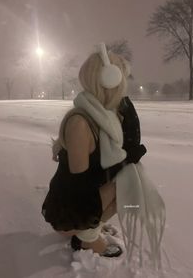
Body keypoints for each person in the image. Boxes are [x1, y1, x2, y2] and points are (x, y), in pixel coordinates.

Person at [41, 43, 147, 258]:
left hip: (80, 204)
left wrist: (128, 160)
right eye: (122, 81)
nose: (124, 87)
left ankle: (91, 226)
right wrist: (124, 165)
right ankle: (86, 238)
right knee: (125, 185)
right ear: (110, 81)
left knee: (131, 182)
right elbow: (80, 190)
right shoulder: (80, 123)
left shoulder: (105, 116)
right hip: (67, 212)